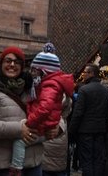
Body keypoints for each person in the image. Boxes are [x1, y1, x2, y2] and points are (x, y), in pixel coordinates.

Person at [0, 46, 50, 176]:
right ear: (1, 64)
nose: (12, 65)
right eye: (8, 61)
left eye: (17, 62)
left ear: (22, 66)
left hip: (34, 165)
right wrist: (19, 129)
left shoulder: (31, 90)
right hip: (5, 167)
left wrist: (59, 128)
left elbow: (53, 111)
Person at [10, 43, 74, 174]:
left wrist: (29, 123)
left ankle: (16, 169)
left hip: (46, 135)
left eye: (35, 70)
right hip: (42, 139)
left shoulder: (49, 86)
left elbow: (54, 110)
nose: (32, 73)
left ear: (44, 72)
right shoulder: (40, 85)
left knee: (20, 143)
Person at [69, 63, 108, 176]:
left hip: (85, 131)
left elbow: (78, 113)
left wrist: (71, 131)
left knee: (86, 160)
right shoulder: (106, 91)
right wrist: (105, 129)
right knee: (98, 160)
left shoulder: (84, 90)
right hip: (100, 130)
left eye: (86, 72)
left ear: (92, 73)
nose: (84, 75)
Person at [42, 81, 73, 176]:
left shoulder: (44, 96)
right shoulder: (66, 98)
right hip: (61, 147)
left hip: (43, 158)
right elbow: (67, 111)